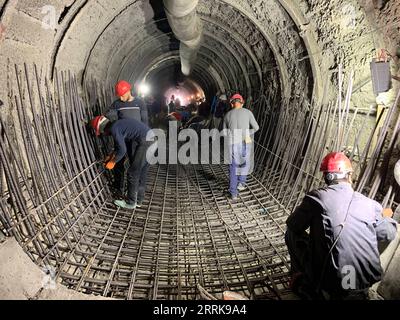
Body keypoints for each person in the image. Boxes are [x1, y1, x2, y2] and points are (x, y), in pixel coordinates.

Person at [285, 152, 398, 300]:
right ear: (350, 176)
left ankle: (304, 279)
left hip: (333, 281)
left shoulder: (317, 198)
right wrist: (384, 215)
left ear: (326, 177)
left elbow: (293, 225)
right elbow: (389, 233)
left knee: (291, 233)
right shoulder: (370, 204)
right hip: (360, 281)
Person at [91, 115, 154, 209]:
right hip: (153, 140)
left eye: (102, 132)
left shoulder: (114, 128)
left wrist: (113, 161)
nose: (104, 134)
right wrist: (111, 155)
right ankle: (138, 201)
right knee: (141, 173)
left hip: (146, 143)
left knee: (132, 173)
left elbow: (122, 150)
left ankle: (130, 202)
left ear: (102, 127)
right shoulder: (118, 124)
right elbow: (119, 146)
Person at [223, 93, 259, 199]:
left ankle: (233, 193)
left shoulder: (227, 115)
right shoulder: (248, 112)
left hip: (234, 142)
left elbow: (225, 133)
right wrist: (247, 133)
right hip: (245, 141)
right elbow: (256, 127)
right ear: (242, 103)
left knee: (233, 167)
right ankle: (242, 183)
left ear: (232, 104)